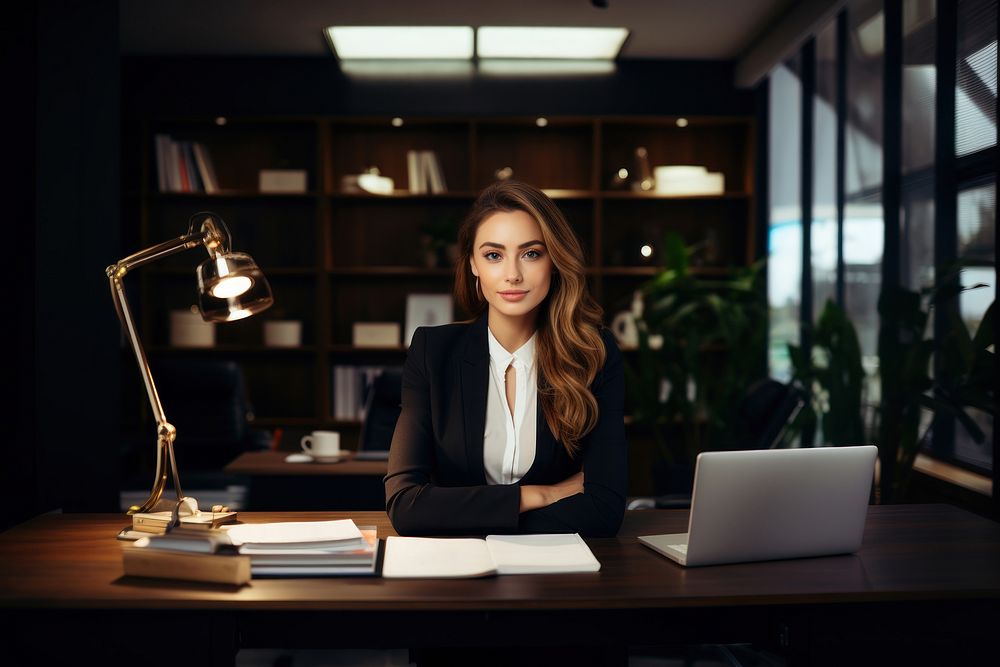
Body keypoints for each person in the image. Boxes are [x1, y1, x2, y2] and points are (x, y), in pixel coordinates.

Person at [384, 180, 627, 537]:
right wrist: (541, 494)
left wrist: (462, 512)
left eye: (531, 253)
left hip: (560, 573)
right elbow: (406, 506)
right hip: (456, 571)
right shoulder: (433, 351)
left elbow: (605, 510)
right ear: (473, 265)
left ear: (554, 262)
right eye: (494, 255)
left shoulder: (594, 353)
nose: (512, 274)